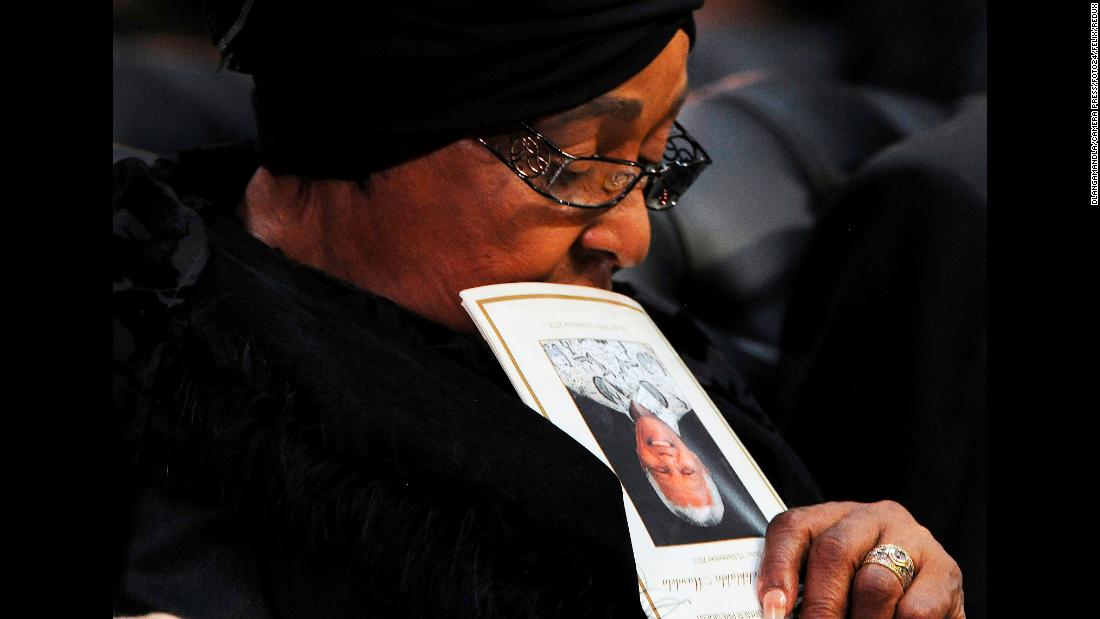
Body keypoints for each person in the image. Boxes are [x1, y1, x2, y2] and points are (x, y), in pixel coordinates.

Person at [113, 1, 966, 617]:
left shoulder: (658, 357)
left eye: (655, 160)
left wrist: (870, 561)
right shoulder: (159, 381)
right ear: (376, 123)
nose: (630, 237)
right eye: (583, 161)